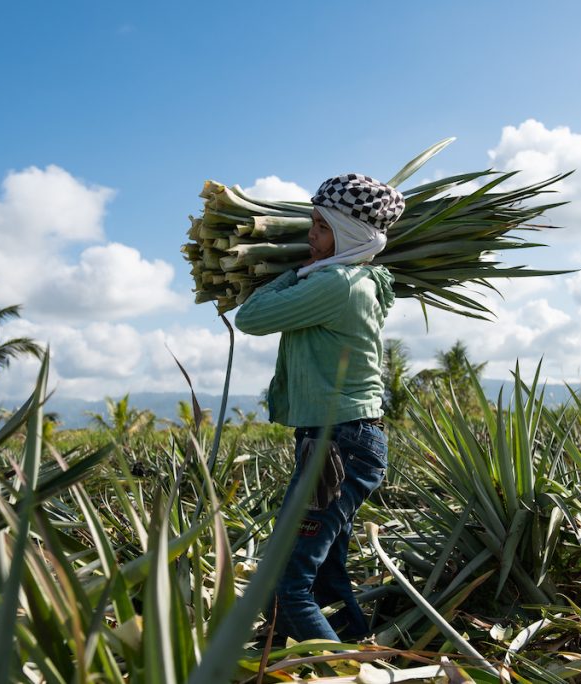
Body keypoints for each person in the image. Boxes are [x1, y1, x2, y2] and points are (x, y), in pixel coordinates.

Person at [234, 173, 404, 644]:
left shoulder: (337, 286)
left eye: (322, 227)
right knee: (325, 576)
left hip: (339, 445)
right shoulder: (357, 279)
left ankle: (344, 672)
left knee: (287, 584)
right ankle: (355, 654)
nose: (311, 235)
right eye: (312, 223)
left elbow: (249, 318)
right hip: (337, 442)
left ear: (350, 235)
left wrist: (289, 272)